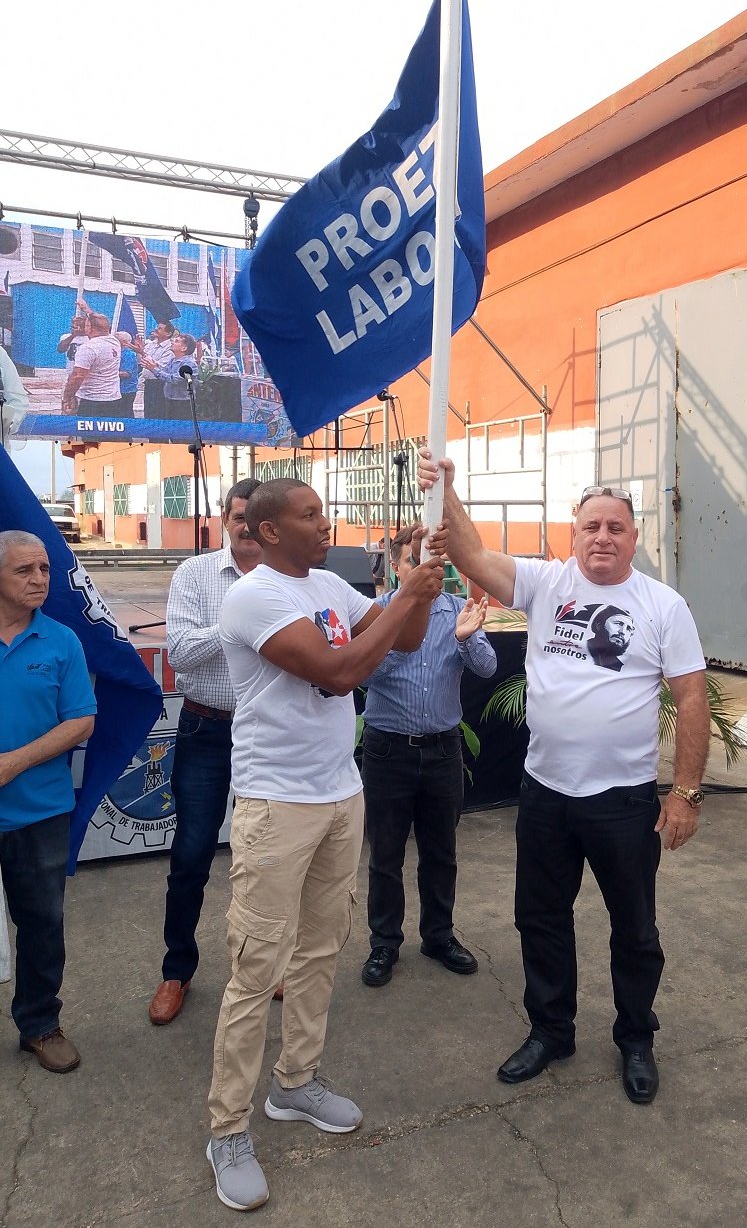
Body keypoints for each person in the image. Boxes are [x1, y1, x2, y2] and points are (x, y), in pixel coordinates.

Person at [417, 456, 710, 1106]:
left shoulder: (663, 606)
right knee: (540, 917)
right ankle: (551, 1030)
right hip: (545, 793)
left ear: (635, 538)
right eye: (589, 526)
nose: (601, 536)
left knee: (634, 928)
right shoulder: (545, 583)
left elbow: (691, 698)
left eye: (615, 526)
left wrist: (685, 791)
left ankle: (635, 1036)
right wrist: (448, 489)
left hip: (623, 799)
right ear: (569, 535)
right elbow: (469, 551)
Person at [207, 478, 444, 1212]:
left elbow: (401, 638)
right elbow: (340, 674)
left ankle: (296, 1082)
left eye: (322, 512)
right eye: (309, 515)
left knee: (318, 951)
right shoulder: (253, 597)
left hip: (340, 794)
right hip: (277, 804)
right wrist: (407, 589)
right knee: (256, 968)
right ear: (267, 529)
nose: (324, 523)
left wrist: (422, 588)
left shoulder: (329, 586)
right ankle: (227, 1129)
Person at [359, 523, 496, 989]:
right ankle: (384, 943)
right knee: (385, 854)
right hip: (387, 751)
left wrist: (464, 638)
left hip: (441, 752)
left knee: (441, 852)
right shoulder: (376, 613)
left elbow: (487, 667)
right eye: (411, 560)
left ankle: (438, 935)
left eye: (428, 561)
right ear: (396, 567)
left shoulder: (459, 610)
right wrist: (405, 628)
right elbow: (367, 675)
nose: (421, 569)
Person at [147, 479, 262, 1027]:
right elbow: (184, 655)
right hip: (207, 731)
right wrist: (243, 618)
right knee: (192, 854)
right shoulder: (195, 574)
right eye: (237, 515)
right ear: (225, 516)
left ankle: (262, 966)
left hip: (268, 735)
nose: (244, 526)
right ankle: (177, 969)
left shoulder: (291, 578)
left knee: (263, 856)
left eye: (254, 517)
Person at [0, 530, 96, 1073]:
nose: (39, 579)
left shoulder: (61, 641)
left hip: (39, 811)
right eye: (24, 571)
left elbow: (81, 719)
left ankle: (39, 1023)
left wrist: (12, 763)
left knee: (41, 922)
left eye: (44, 569)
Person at [62, 313, 121, 417]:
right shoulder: (114, 341)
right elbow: (100, 323)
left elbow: (77, 376)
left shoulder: (88, 348)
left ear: (89, 328)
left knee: (90, 432)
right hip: (113, 398)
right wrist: (85, 309)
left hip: (92, 400)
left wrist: (67, 397)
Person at [115, 333, 142, 418]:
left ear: (123, 342)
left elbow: (126, 373)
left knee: (125, 413)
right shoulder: (118, 353)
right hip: (119, 389)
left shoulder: (128, 354)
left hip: (127, 389)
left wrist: (107, 373)